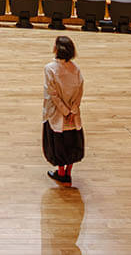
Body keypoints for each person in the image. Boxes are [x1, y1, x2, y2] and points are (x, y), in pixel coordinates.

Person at [41, 35, 85, 185]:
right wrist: (72, 111)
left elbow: (52, 94)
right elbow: (79, 92)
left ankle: (61, 174)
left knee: (58, 143)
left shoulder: (50, 69)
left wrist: (65, 112)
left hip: (57, 114)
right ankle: (68, 173)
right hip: (73, 115)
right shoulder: (76, 69)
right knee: (72, 143)